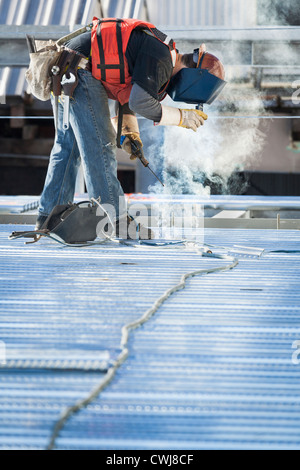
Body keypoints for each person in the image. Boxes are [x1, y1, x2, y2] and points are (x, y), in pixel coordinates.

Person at [35, 18, 225, 239]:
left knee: (68, 146)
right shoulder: (163, 59)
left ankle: (48, 216)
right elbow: (140, 101)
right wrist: (181, 117)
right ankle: (114, 220)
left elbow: (126, 93)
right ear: (193, 75)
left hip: (65, 67)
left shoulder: (159, 51)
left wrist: (129, 131)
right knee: (100, 144)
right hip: (81, 71)